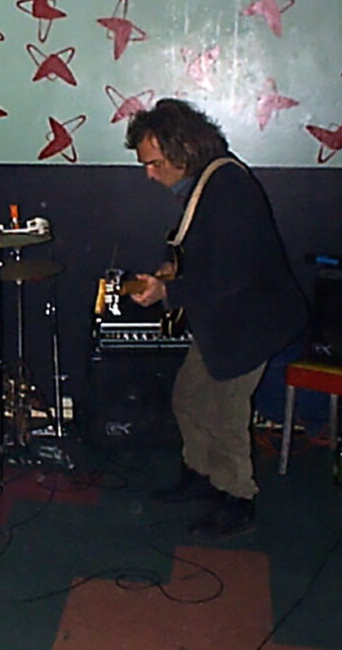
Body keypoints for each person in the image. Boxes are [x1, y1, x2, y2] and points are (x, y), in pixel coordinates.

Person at [124, 99, 306, 539]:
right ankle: (201, 474)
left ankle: (237, 497)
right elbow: (210, 256)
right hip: (224, 315)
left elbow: (237, 272)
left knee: (226, 411)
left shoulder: (228, 186)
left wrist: (169, 289)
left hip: (251, 319)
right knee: (189, 396)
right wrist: (173, 272)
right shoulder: (210, 179)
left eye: (154, 163)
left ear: (181, 147)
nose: (149, 173)